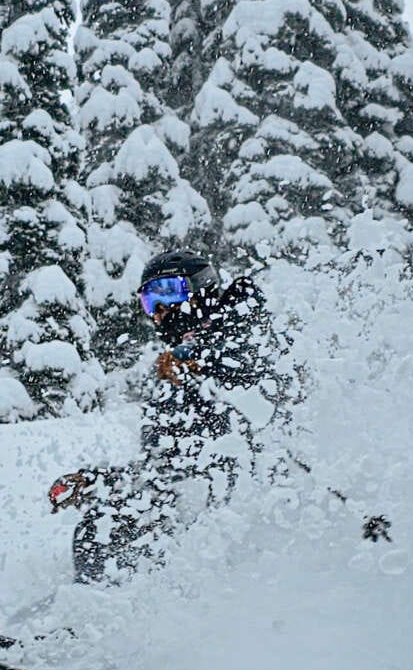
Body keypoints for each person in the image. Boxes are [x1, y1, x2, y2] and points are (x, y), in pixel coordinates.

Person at [49, 248, 297, 584]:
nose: (160, 311)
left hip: (265, 502)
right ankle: (96, 603)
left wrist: (199, 358)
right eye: (150, 302)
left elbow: (255, 362)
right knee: (103, 524)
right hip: (197, 509)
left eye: (168, 292)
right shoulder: (173, 379)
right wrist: (97, 482)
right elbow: (160, 469)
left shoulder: (245, 317)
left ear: (201, 286)